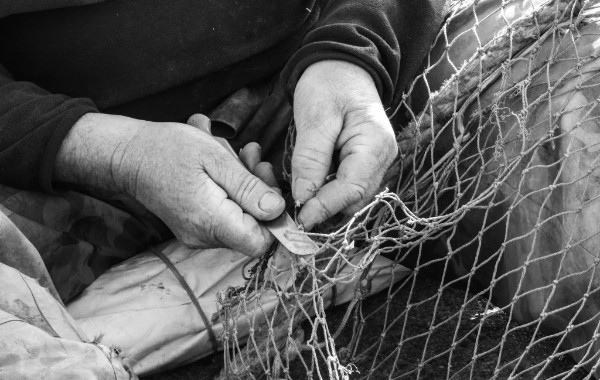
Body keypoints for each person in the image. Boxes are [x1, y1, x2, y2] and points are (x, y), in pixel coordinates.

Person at [0, 0, 446, 292]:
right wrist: (118, 152)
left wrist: (351, 54)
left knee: (505, 111)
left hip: (325, 73)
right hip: (52, 145)